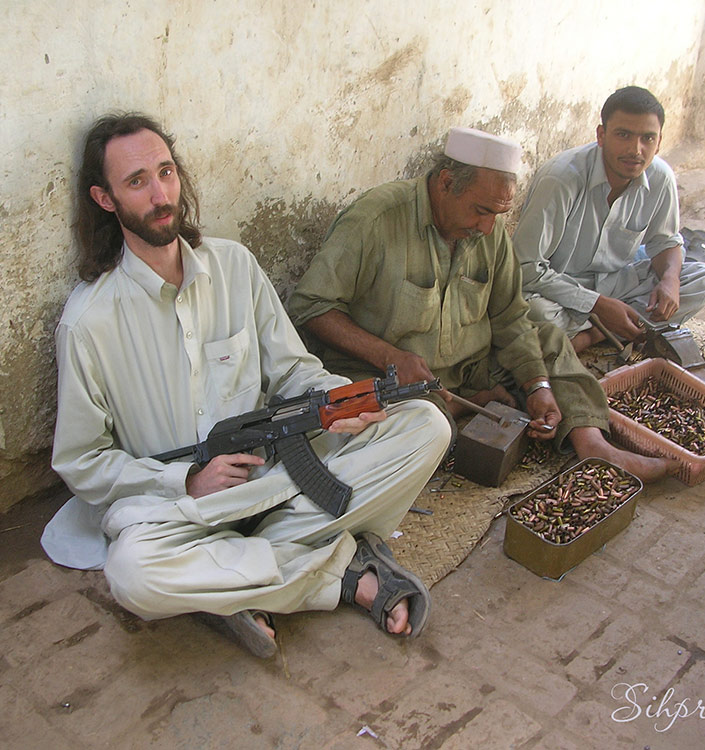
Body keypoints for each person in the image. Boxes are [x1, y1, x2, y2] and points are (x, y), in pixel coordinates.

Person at [40, 112, 452, 658]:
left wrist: (336, 402)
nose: (161, 194)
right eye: (136, 182)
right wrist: (187, 481)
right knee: (134, 576)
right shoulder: (89, 323)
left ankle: (232, 580)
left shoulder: (233, 265)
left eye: (166, 172)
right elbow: (82, 461)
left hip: (276, 477)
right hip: (183, 509)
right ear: (105, 198)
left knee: (425, 425)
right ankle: (341, 572)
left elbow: (290, 370)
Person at [287, 126, 675, 483]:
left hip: (472, 366)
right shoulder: (376, 219)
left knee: (547, 339)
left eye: (499, 213)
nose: (489, 228)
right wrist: (390, 356)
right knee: (393, 422)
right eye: (481, 210)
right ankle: (464, 408)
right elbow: (311, 306)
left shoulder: (488, 231)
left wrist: (536, 385)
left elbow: (510, 316)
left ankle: (592, 444)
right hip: (390, 377)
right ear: (445, 183)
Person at [512, 86, 705, 353]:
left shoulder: (660, 177)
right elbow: (526, 268)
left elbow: (664, 241)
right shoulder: (562, 179)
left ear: (659, 142)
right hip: (561, 289)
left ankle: (592, 336)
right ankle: (620, 329)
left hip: (619, 282)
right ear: (601, 135)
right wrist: (597, 305)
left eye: (647, 138)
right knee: (534, 313)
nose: (636, 149)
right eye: (623, 135)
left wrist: (670, 280)